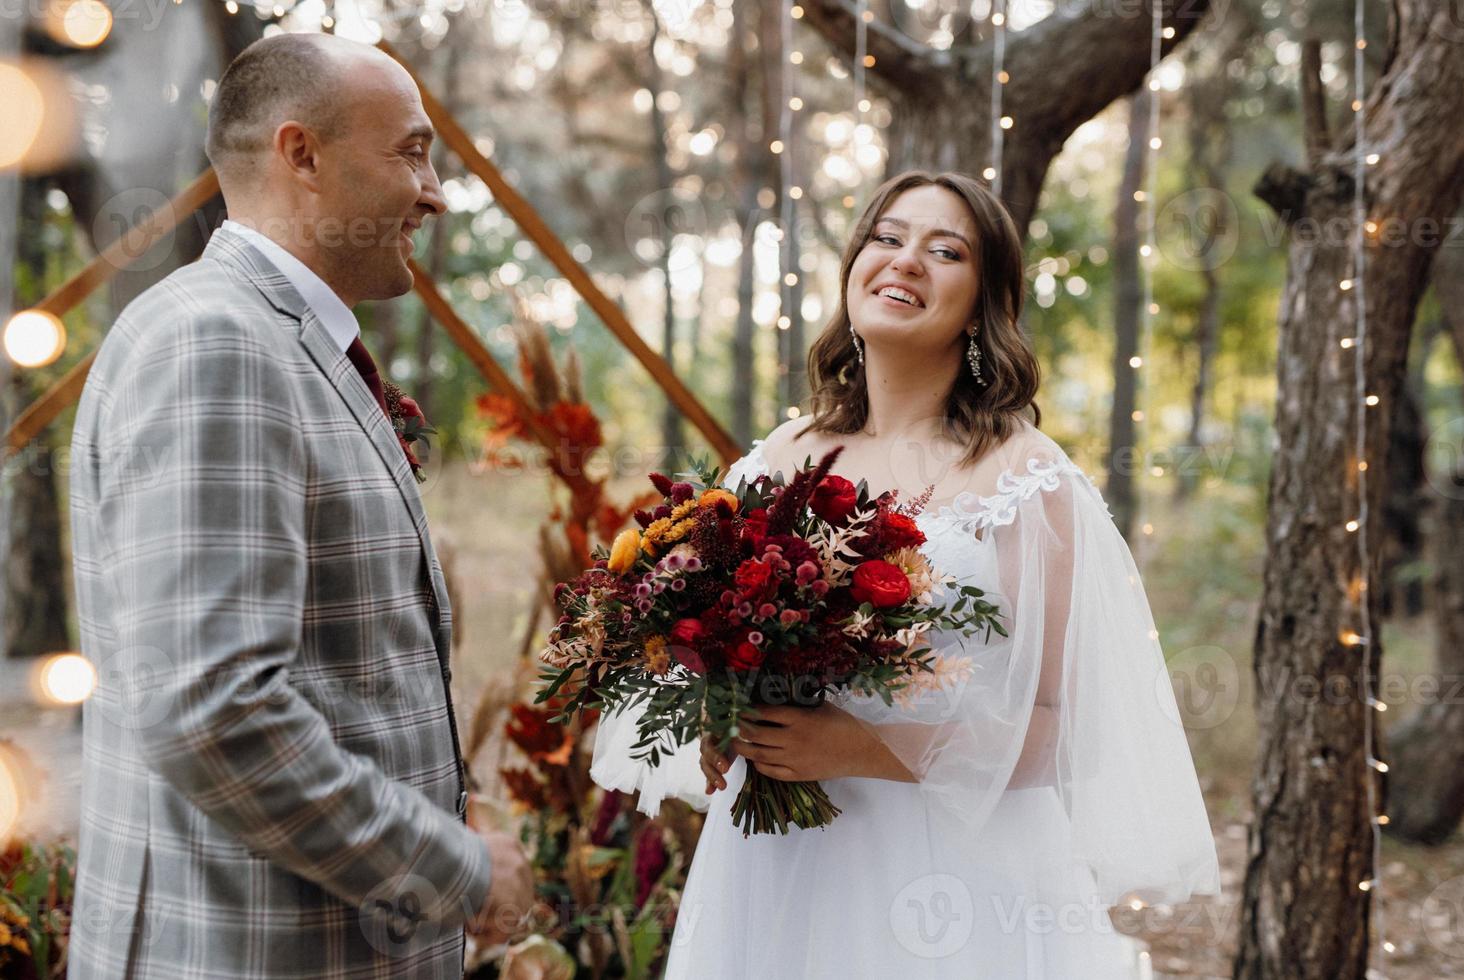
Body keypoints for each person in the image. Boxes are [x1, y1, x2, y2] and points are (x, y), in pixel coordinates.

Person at [592, 171, 1221, 977]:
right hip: (778, 865)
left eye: (944, 250)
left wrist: (862, 747)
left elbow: (1068, 726)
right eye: (887, 238)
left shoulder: (1025, 478)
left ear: (983, 301)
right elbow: (705, 627)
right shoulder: (778, 454)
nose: (906, 261)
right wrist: (722, 714)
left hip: (955, 872)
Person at [67, 34, 532, 979]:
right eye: (410, 150)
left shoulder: (273, 339)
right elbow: (213, 711)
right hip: (247, 950)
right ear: (301, 154)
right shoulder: (217, 346)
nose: (435, 191)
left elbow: (344, 672)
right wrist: (455, 869)